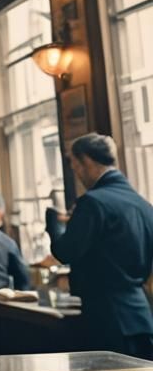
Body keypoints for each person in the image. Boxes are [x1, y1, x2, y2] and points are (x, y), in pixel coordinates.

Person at [49, 133, 153, 359]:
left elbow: (65, 251)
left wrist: (54, 224)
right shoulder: (143, 205)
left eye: (75, 167)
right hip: (143, 315)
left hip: (105, 318)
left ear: (86, 161)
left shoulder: (93, 202)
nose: (77, 174)